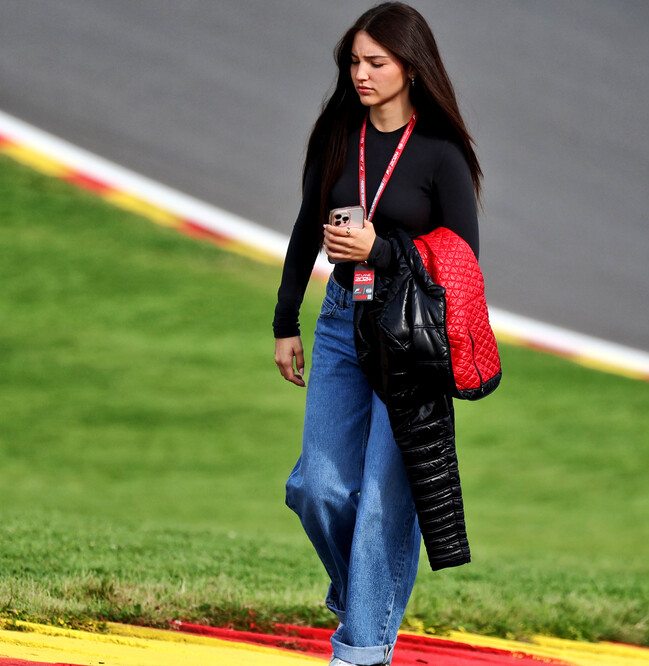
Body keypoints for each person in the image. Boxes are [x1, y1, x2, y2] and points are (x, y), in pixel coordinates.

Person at [272, 3, 483, 665]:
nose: (360, 74)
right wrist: (286, 323)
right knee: (318, 488)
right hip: (341, 319)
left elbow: (462, 263)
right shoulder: (338, 132)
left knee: (382, 509)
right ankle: (359, 594)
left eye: (375, 63)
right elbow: (308, 227)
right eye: (353, 62)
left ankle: (361, 649)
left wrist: (383, 249)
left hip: (409, 337)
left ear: (410, 69)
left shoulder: (441, 154)